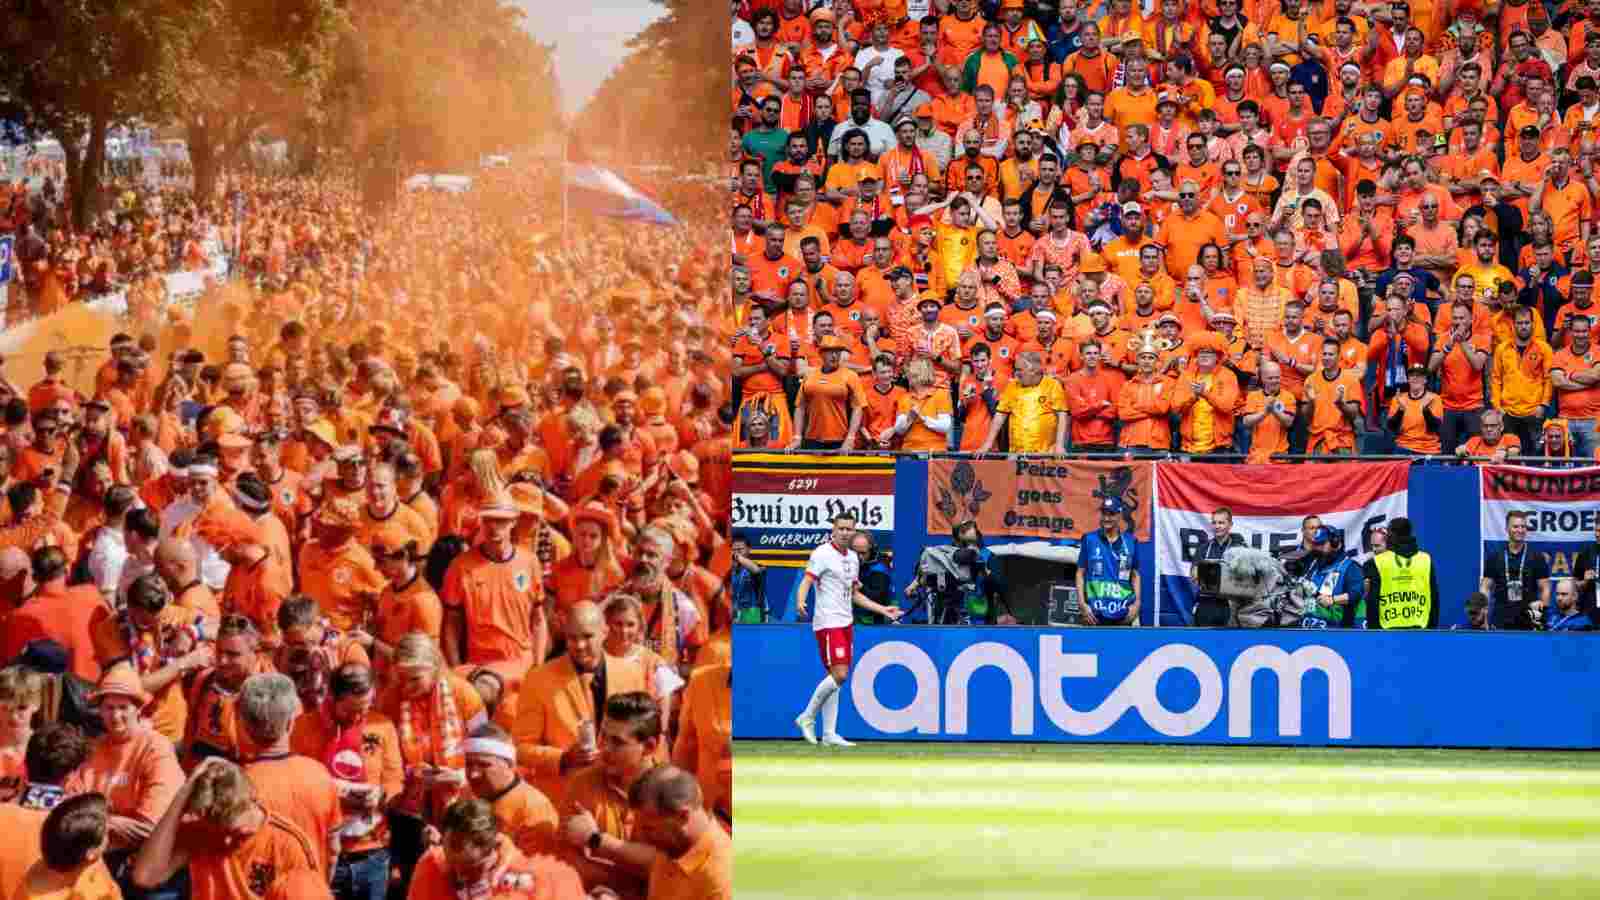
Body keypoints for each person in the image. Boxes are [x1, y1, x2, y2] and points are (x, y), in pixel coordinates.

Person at [510, 602, 647, 810]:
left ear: (604, 632)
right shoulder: (538, 679)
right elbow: (520, 748)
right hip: (563, 802)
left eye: (587, 637)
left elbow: (643, 740)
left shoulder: (631, 674)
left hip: (621, 800)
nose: (579, 645)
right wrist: (563, 758)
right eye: (572, 638)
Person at [130, 757, 322, 900]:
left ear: (251, 801)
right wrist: (182, 795)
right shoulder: (201, 830)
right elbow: (145, 877)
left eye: (236, 832)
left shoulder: (289, 843)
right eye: (220, 832)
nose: (227, 842)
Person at [288, 662, 401, 900]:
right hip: (323, 850)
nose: (359, 716)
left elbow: (394, 780)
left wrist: (380, 795)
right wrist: (330, 794)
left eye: (365, 707)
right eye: (350, 711)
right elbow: (294, 784)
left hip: (372, 852)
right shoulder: (303, 727)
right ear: (332, 698)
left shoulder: (382, 726)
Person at [793, 512, 903, 747]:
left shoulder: (853, 558)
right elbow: (806, 581)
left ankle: (830, 733)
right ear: (833, 530)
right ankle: (807, 716)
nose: (844, 533)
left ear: (854, 532)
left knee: (834, 678)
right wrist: (800, 600)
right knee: (840, 675)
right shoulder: (822, 553)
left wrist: (883, 610)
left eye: (848, 529)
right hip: (828, 621)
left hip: (846, 622)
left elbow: (855, 595)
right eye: (840, 528)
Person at [557, 692, 664, 897]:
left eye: (617, 742)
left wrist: (597, 840)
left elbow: (667, 865)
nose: (604, 749)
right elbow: (569, 860)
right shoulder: (581, 784)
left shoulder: (672, 791)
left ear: (650, 746)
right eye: (603, 736)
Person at [405, 798, 584, 900]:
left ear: (494, 847)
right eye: (452, 863)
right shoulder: (430, 866)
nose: (459, 875)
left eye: (470, 867)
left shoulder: (528, 879)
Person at [628, 765, 733, 900]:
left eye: (649, 828)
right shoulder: (674, 847)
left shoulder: (721, 884)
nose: (641, 836)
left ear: (682, 816)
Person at [1363, 516, 1439, 630]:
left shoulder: (1376, 562)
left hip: (1386, 631)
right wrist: (1431, 629)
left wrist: (1374, 631)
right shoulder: (1425, 559)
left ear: (1391, 535)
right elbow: (1434, 597)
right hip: (1421, 629)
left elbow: (1373, 601)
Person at [1479, 510, 1550, 631]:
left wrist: (1542, 618)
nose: (1520, 530)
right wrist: (1483, 614)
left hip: (1529, 620)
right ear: (1507, 528)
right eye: (1515, 526)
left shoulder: (1537, 557)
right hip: (1501, 618)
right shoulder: (1495, 557)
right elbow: (1485, 587)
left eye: (1523, 526)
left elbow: (1545, 588)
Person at [1075, 496, 1140, 626]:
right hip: (1094, 615)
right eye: (1104, 513)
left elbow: (1135, 575)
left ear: (1120, 515)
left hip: (1123, 614)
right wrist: (1082, 603)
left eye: (1111, 514)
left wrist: (1136, 604)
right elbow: (1080, 573)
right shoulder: (1089, 539)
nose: (1106, 518)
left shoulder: (1130, 541)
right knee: (1092, 646)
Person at [1297, 526, 1366, 629]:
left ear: (1335, 544)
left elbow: (1355, 594)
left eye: (1322, 544)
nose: (1317, 548)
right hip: (1310, 627)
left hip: (1337, 631)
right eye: (1316, 544)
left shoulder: (1350, 567)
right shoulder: (1313, 565)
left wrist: (1333, 600)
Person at [1189, 507, 1243, 626]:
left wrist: (1208, 572)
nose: (1217, 526)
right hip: (1206, 604)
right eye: (1214, 522)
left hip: (1231, 605)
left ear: (1230, 524)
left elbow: (1245, 577)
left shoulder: (1240, 548)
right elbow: (1194, 574)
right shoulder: (1203, 548)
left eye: (1221, 522)